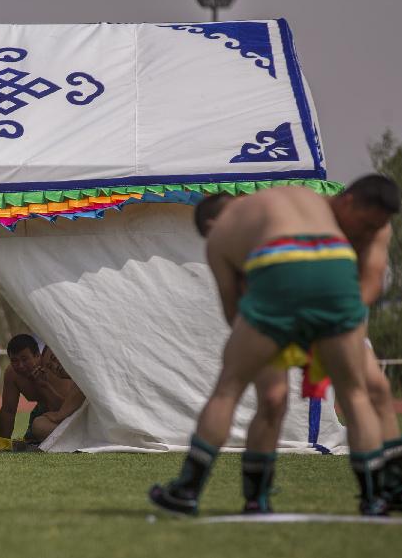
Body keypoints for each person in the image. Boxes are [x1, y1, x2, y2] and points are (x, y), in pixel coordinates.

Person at [149, 185, 387, 517]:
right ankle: (374, 498)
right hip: (336, 262)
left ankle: (189, 491)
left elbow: (234, 311)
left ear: (214, 221)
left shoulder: (221, 235)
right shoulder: (302, 195)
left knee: (228, 389)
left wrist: (262, 349)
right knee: (355, 394)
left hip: (279, 269)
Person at [245, 175, 402, 513]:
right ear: (348, 202)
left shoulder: (377, 228)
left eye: (379, 226)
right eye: (367, 223)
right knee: (272, 399)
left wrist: (337, 326)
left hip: (341, 315)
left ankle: (394, 488)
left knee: (377, 390)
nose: (371, 231)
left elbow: (370, 281)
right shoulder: (306, 216)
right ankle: (254, 497)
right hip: (284, 314)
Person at [0, 335, 73, 442]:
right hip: (43, 414)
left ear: (37, 355)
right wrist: (3, 443)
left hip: (67, 415)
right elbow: (8, 410)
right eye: (14, 360)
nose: (20, 365)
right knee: (33, 433)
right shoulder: (12, 373)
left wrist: (44, 387)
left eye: (25, 359)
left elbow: (66, 410)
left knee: (38, 427)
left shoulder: (54, 368)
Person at [27, 346, 86, 442]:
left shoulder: (83, 375)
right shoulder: (76, 380)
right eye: (50, 367)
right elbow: (65, 409)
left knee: (39, 424)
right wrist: (46, 386)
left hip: (98, 428)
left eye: (55, 358)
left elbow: (61, 415)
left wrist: (58, 415)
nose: (55, 367)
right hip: (84, 427)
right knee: (40, 424)